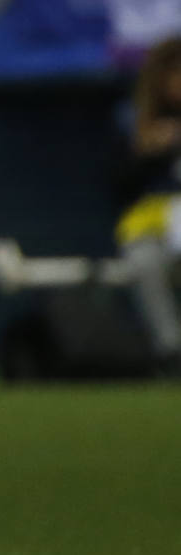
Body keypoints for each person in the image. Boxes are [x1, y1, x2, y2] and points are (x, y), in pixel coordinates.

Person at [115, 37, 181, 375]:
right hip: (154, 226)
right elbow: (117, 186)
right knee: (144, 261)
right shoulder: (137, 120)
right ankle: (171, 352)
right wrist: (146, 154)